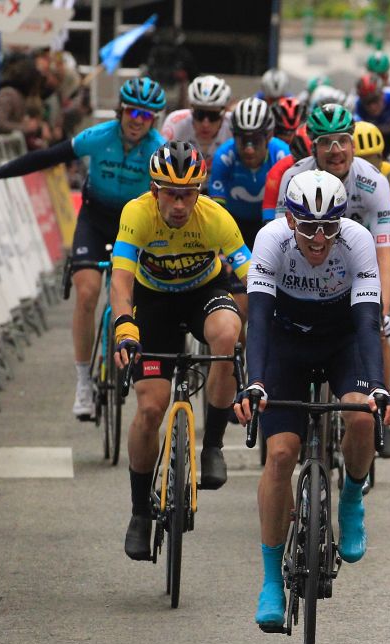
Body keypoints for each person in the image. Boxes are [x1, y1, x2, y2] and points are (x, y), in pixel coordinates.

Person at [234, 171, 390, 631]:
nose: (320, 238)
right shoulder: (269, 242)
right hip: (286, 344)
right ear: (290, 220)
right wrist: (257, 382)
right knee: (281, 453)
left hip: (341, 340)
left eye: (330, 226)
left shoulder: (358, 241)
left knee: (361, 417)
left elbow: (368, 323)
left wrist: (379, 387)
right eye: (309, 227)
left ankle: (351, 496)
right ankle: (269, 580)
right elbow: (260, 323)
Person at [0, 77, 168, 420]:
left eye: (147, 114)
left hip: (136, 225)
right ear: (121, 110)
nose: (138, 119)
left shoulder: (159, 147)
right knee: (87, 292)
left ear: (155, 119)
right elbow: (46, 157)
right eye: (133, 110)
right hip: (94, 221)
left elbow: (177, 196)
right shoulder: (99, 137)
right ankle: (83, 380)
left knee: (136, 297)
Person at [110, 142, 250, 560]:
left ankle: (213, 446)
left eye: (187, 193)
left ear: (198, 191)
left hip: (202, 294)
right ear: (155, 190)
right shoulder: (137, 213)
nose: (178, 203)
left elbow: (256, 277)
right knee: (151, 408)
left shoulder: (215, 218)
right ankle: (139, 511)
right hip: (153, 305)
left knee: (228, 334)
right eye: (170, 192)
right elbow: (120, 280)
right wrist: (124, 326)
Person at [276, 104, 390, 398]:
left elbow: (384, 254)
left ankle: (382, 407)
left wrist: (384, 309)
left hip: (356, 269)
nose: (335, 150)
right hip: (305, 272)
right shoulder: (293, 179)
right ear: (313, 147)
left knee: (377, 333)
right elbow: (281, 246)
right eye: (325, 143)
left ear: (352, 144)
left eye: (342, 141)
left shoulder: (373, 182)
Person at [352, 121, 390, 432]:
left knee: (381, 327)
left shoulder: (389, 175)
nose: (368, 166)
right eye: (362, 158)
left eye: (374, 158)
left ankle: (383, 412)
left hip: (377, 248)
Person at [209, 97, 289, 250]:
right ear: (233, 136)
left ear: (269, 136)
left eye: (256, 140)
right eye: (242, 140)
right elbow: (217, 211)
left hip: (268, 221)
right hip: (233, 224)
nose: (249, 149)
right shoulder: (224, 156)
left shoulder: (281, 154)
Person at [161, 74, 233, 157]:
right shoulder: (175, 123)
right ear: (191, 110)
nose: (205, 124)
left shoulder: (233, 125)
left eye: (213, 116)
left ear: (224, 113)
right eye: (199, 115)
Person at [353, 72, 390, 151]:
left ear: (382, 94)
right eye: (367, 102)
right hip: (377, 137)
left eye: (375, 99)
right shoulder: (358, 106)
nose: (372, 107)